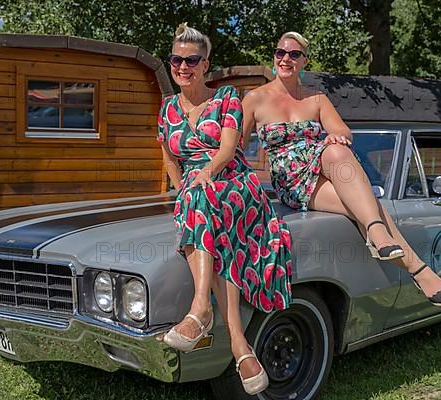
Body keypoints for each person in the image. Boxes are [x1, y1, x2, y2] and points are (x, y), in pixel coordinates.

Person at [242, 31, 441, 307]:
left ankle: (392, 246)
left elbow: (342, 130)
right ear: (274, 57)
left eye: (294, 54)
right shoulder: (254, 99)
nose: (286, 59)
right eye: (281, 52)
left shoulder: (316, 98)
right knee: (368, 204)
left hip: (322, 163)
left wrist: (336, 136)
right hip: (292, 182)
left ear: (304, 61)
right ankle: (412, 263)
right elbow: (235, 145)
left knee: (337, 150)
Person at [157, 23, 293, 395]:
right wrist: (179, 188)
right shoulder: (167, 108)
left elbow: (228, 150)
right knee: (205, 210)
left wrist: (205, 174)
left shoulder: (228, 97)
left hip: (233, 180)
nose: (183, 66)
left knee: (204, 201)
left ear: (205, 64)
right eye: (176, 59)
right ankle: (239, 344)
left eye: (192, 60)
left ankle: (201, 308)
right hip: (196, 187)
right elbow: (169, 156)